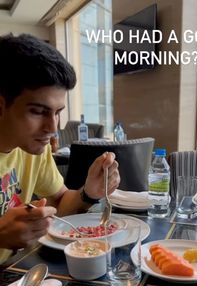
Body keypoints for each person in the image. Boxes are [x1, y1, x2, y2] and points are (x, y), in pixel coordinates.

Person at [0, 33, 120, 263]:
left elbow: (60, 201)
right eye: (37, 111)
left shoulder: (34, 149)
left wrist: (89, 193)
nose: (53, 128)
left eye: (57, 112)